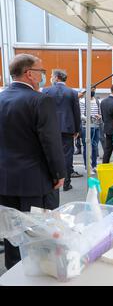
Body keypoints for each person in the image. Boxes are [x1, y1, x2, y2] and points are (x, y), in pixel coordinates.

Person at [0, 54, 66, 269]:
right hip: (35, 180)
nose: (43, 75)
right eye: (41, 71)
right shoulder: (40, 99)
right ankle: (39, 273)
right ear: (30, 74)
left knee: (12, 232)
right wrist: (59, 174)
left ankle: (14, 274)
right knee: (39, 231)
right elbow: (51, 142)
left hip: (5, 179)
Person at [43, 69, 81, 191]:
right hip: (68, 128)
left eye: (51, 76)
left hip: (50, 128)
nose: (50, 78)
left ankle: (53, 181)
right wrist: (77, 129)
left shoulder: (46, 91)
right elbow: (77, 112)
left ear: (57, 77)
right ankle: (66, 183)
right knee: (67, 155)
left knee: (50, 153)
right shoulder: (72, 92)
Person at [80, 87, 102, 174]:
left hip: (96, 126)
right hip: (86, 127)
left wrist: (99, 116)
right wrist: (89, 118)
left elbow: (100, 113)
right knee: (86, 146)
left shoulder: (98, 101)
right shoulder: (82, 101)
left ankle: (94, 165)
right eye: (91, 90)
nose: (92, 91)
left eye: (94, 90)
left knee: (95, 147)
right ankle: (87, 166)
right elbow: (81, 115)